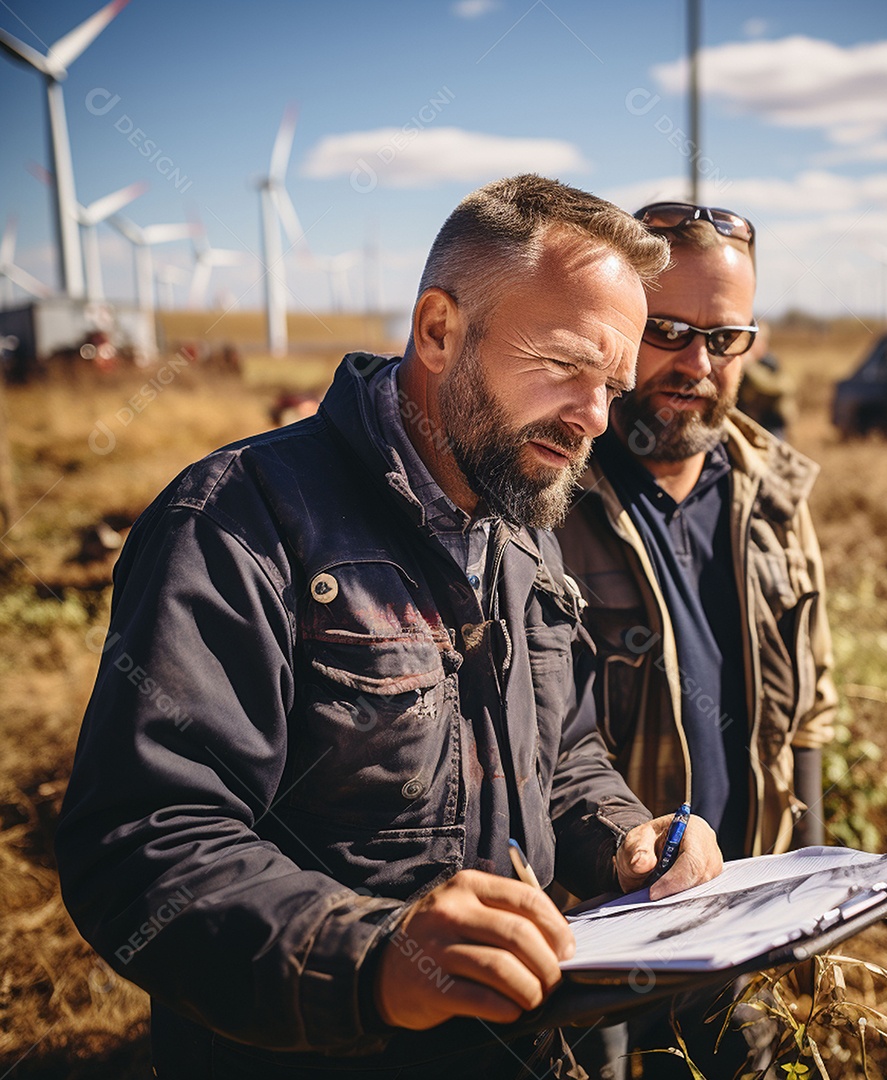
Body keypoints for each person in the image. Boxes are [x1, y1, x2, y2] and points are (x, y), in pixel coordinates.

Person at [55, 176, 724, 1080]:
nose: (595, 420)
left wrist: (621, 839)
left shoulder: (521, 524)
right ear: (440, 330)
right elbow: (143, 841)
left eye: (611, 385)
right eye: (566, 365)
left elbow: (563, 753)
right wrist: (376, 959)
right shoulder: (237, 525)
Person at [556, 203, 836, 1073]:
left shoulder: (774, 493)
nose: (698, 364)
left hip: (738, 917)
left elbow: (814, 706)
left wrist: (814, 882)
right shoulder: (546, 493)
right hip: (582, 926)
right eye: (669, 330)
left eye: (727, 337)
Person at [735, 320, 798, 441]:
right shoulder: (744, 363)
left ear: (763, 343)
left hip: (772, 424)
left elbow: (777, 387)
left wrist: (749, 366)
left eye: (753, 340)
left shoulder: (771, 364)